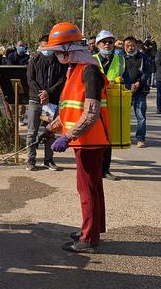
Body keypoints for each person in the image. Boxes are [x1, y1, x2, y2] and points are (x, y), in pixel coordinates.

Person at [42, 22, 109, 253]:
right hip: (84, 139)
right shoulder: (74, 69)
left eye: (59, 51)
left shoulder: (89, 71)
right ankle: (92, 229)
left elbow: (91, 112)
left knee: (86, 189)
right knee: (93, 187)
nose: (57, 55)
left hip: (90, 140)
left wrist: (67, 137)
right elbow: (71, 110)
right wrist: (51, 128)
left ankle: (88, 238)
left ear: (70, 49)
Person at [26, 35, 68, 171]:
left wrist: (48, 93)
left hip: (51, 102)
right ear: (40, 45)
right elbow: (30, 79)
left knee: (49, 130)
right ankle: (31, 160)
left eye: (49, 46)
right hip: (35, 100)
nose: (46, 48)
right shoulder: (34, 59)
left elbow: (62, 80)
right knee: (32, 131)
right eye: (44, 45)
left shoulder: (59, 61)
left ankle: (48, 159)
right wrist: (41, 93)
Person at [93, 30, 129, 181]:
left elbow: (127, 81)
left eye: (110, 42)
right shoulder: (92, 60)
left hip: (113, 104)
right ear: (97, 45)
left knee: (108, 137)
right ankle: (94, 168)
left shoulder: (120, 60)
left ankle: (105, 169)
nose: (107, 45)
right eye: (104, 42)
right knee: (94, 137)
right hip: (95, 102)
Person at [123, 36, 150, 148]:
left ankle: (140, 138)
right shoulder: (121, 58)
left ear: (137, 46)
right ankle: (124, 137)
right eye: (128, 46)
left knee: (140, 116)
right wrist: (129, 86)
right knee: (124, 115)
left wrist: (138, 83)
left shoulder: (143, 57)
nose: (130, 48)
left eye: (132, 45)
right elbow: (119, 73)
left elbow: (147, 72)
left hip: (140, 90)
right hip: (125, 90)